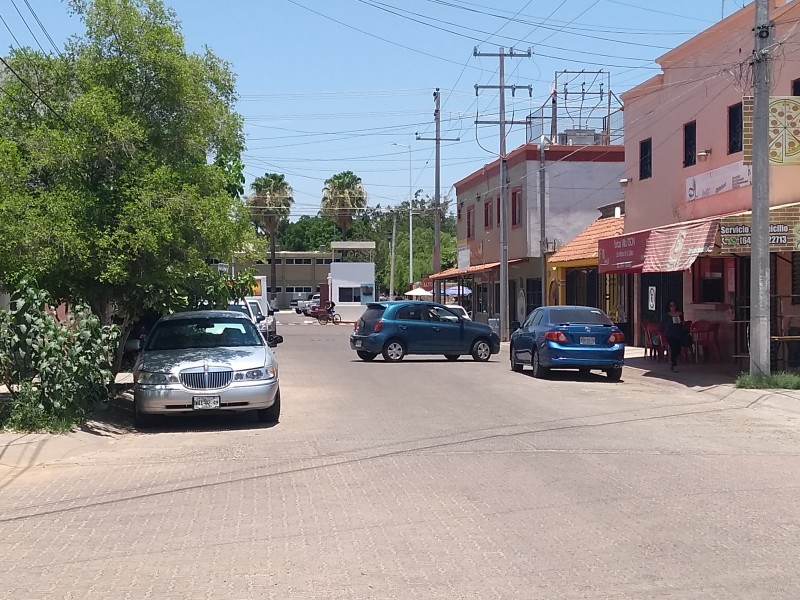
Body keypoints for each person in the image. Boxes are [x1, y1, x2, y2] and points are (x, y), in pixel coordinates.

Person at [660, 300, 685, 372]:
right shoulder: (666, 316)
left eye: (674, 305)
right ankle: (674, 364)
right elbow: (662, 326)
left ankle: (674, 362)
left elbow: (682, 324)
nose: (673, 307)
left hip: (679, 334)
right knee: (673, 349)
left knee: (678, 349)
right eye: (671, 306)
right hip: (671, 335)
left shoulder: (680, 314)